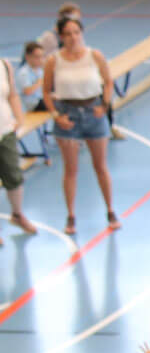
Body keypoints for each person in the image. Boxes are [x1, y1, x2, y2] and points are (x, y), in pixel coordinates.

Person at [44, 14, 117, 234]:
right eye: (67, 34)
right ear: (61, 36)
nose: (73, 37)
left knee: (100, 166)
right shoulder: (54, 61)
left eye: (76, 32)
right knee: (71, 169)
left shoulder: (94, 56)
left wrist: (104, 105)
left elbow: (108, 81)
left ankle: (110, 210)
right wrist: (57, 116)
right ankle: (71, 216)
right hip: (68, 114)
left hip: (93, 112)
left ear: (82, 33)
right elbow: (46, 92)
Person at [0, 45, 38, 241]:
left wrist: (19, 118)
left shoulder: (4, 65)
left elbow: (12, 94)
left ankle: (17, 214)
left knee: (13, 176)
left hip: (5, 131)